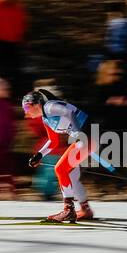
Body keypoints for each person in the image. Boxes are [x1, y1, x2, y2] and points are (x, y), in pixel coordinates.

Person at [22, 88, 95, 222]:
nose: (26, 112)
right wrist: (39, 155)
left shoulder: (49, 107)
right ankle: (85, 210)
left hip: (89, 135)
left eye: (26, 107)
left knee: (60, 169)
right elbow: (53, 141)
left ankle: (68, 210)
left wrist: (78, 132)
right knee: (71, 175)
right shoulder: (46, 118)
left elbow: (69, 112)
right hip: (86, 137)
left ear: (36, 104)